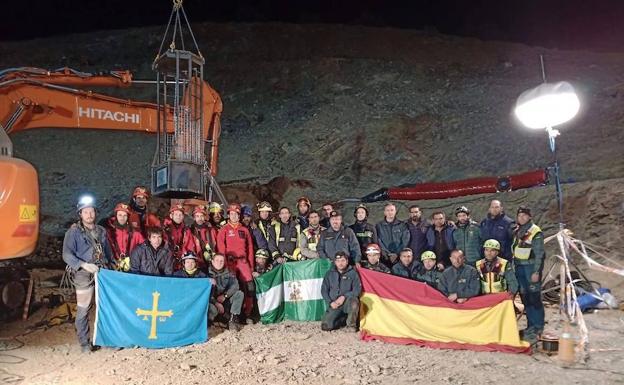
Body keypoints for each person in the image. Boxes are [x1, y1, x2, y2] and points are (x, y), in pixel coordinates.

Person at [62, 195, 113, 353]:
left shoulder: (101, 231)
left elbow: (107, 252)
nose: (89, 215)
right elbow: (67, 254)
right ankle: (85, 343)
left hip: (102, 271)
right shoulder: (73, 232)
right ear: (80, 214)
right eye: (86, 212)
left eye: (91, 211)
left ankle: (105, 340)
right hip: (83, 274)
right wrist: (83, 264)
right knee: (84, 308)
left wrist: (111, 266)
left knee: (104, 307)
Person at [512, 206, 545, 342]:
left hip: (531, 268)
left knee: (534, 298)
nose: (522, 218)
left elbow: (539, 254)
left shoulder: (535, 231)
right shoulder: (518, 231)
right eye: (520, 216)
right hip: (519, 267)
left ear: (529, 217)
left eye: (524, 215)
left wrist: (536, 271)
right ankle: (531, 325)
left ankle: (538, 327)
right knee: (525, 298)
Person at [216, 203, 256, 319]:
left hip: (243, 262)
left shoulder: (244, 230)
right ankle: (231, 315)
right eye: (231, 214)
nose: (234, 216)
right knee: (231, 287)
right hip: (230, 262)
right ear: (228, 215)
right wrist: (223, 265)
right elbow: (221, 248)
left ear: (239, 216)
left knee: (250, 287)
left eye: (236, 214)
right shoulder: (224, 230)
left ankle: (248, 313)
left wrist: (251, 267)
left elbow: (250, 249)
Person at [320, 251, 362, 332]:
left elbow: (357, 290)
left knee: (354, 302)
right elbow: (324, 290)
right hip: (335, 304)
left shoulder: (353, 273)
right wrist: (330, 302)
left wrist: (344, 296)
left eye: (343, 260)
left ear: (347, 261)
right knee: (326, 326)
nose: (340, 263)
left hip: (347, 302)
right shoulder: (329, 274)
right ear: (335, 262)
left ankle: (351, 325)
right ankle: (343, 320)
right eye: (338, 261)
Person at [207, 253, 245, 331]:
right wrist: (215, 302)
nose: (219, 263)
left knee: (239, 294)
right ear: (212, 262)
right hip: (211, 301)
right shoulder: (206, 273)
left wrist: (225, 295)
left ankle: (233, 320)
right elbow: (204, 293)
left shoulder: (228, 272)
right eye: (217, 260)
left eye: (221, 261)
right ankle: (209, 323)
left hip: (224, 299)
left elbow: (235, 286)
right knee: (212, 309)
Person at [105, 202, 144, 272]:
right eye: (120, 215)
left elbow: (144, 251)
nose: (122, 218)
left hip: (132, 267)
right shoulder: (108, 233)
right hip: (113, 268)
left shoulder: (136, 234)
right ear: (115, 216)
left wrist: (135, 260)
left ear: (128, 217)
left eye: (125, 215)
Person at [189, 205, 217, 269]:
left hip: (212, 262)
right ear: (194, 217)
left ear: (204, 217)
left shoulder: (212, 230)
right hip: (197, 263)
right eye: (197, 216)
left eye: (201, 216)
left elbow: (217, 246)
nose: (200, 218)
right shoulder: (190, 231)